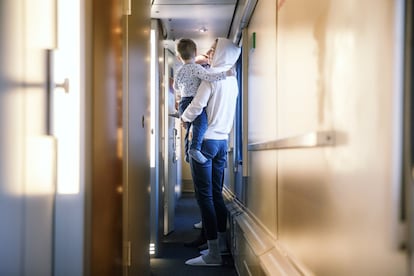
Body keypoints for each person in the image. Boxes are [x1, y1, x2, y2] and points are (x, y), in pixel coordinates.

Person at [181, 37, 241, 266]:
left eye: (214, 50)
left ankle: (213, 254)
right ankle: (222, 245)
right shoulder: (232, 79)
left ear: (222, 53)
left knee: (205, 197)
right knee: (216, 195)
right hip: (222, 143)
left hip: (205, 142)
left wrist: (184, 119)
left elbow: (196, 106)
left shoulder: (211, 79)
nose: (210, 53)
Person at [173, 38, 234, 164]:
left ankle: (187, 153)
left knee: (189, 129)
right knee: (201, 124)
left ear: (179, 57)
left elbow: (175, 87)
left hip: (183, 102)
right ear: (195, 53)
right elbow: (208, 77)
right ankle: (194, 148)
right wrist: (225, 74)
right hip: (193, 100)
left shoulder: (179, 71)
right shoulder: (197, 68)